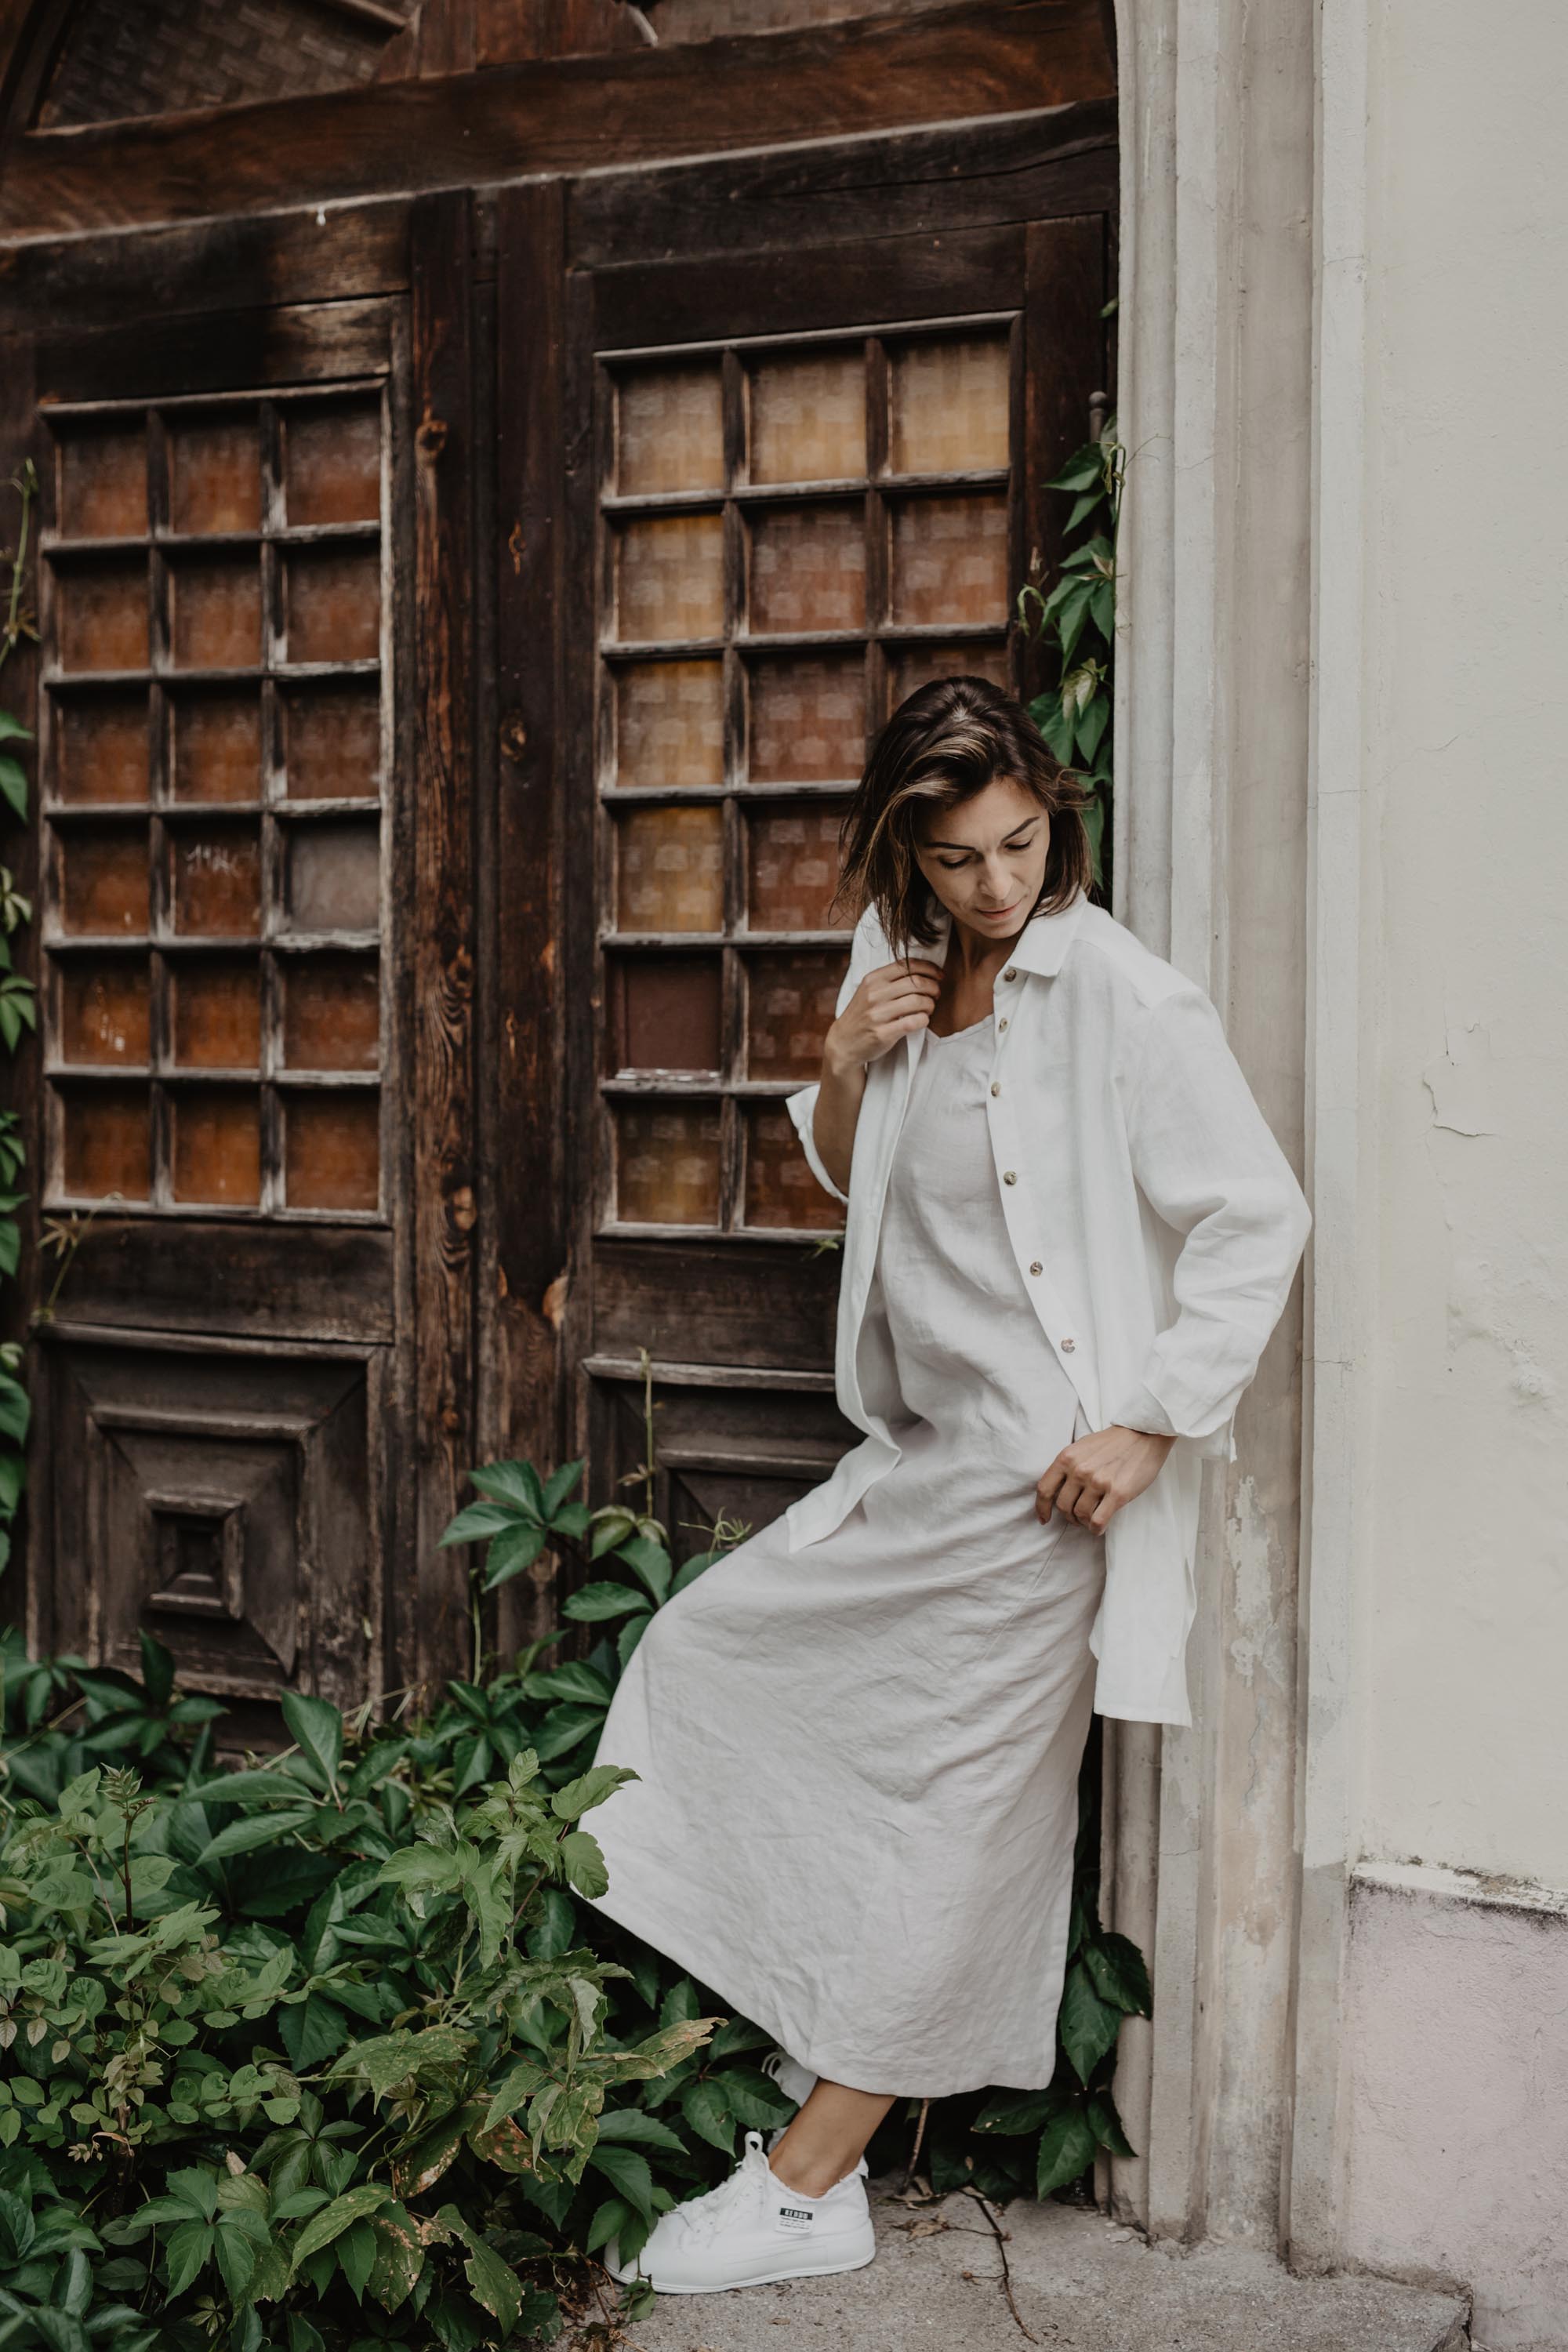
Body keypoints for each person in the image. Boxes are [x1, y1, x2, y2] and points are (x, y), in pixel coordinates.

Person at [586, 675, 1312, 2297]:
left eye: (1022, 843)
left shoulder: (1119, 993)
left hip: (1043, 1489)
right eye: (960, 856)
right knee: (703, 1656)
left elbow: (1256, 1217)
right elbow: (865, 1180)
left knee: (958, 1823)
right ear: (904, 851)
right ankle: (832, 2043)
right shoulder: (896, 958)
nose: (998, 884)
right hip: (919, 1456)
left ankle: (809, 2185)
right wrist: (845, 1061)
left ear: (1053, 815)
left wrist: (1148, 1424)